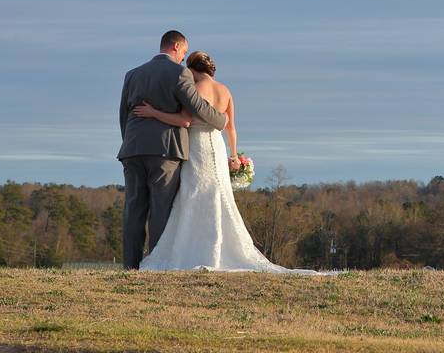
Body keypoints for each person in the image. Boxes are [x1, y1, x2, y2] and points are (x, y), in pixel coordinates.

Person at [134, 50, 326, 274]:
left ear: (193, 69)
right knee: (218, 193)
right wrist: (234, 156)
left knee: (193, 192)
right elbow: (231, 128)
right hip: (217, 145)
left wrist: (153, 113)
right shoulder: (225, 91)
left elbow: (184, 121)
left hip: (197, 147)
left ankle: (193, 249)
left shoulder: (194, 89)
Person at [118, 30, 229, 270]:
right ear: (176, 46)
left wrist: (130, 142)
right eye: (184, 52)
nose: (184, 57)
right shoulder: (180, 73)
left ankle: (130, 266)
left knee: (134, 208)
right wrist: (220, 120)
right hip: (165, 150)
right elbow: (196, 106)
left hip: (133, 148)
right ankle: (157, 264)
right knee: (161, 210)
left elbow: (123, 116)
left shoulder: (132, 74)